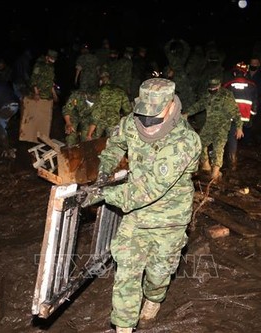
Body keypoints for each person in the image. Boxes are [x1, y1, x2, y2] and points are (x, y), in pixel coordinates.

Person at [79, 78, 201, 333]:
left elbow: (147, 190)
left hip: (169, 219)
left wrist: (102, 194)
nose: (147, 123)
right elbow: (114, 145)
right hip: (136, 216)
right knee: (126, 270)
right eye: (143, 115)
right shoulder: (131, 123)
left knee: (158, 275)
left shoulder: (185, 142)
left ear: (169, 106)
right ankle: (123, 327)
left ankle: (154, 299)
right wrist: (104, 172)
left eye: (154, 117)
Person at [185, 77, 243, 181]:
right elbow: (199, 105)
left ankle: (215, 173)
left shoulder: (226, 95)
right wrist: (187, 113)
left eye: (214, 88)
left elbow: (236, 112)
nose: (212, 90)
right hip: (209, 125)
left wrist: (239, 127)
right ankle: (206, 165)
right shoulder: (207, 95)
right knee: (199, 143)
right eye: (211, 88)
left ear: (219, 85)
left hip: (222, 126)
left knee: (218, 148)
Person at [222, 62, 258, 169]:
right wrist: (252, 115)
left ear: (234, 73)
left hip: (232, 117)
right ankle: (242, 152)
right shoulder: (252, 85)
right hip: (246, 117)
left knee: (232, 136)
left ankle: (232, 161)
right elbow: (255, 103)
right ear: (245, 73)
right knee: (243, 132)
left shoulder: (228, 85)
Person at [85, 71, 132, 141]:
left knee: (93, 141)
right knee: (112, 142)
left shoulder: (100, 91)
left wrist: (89, 133)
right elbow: (128, 110)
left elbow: (96, 111)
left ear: (101, 81)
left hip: (100, 121)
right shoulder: (120, 91)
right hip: (113, 121)